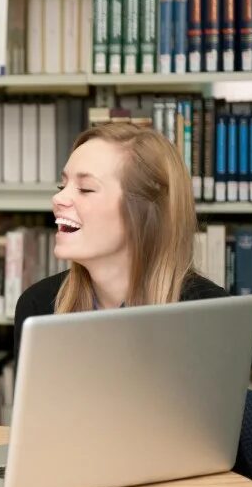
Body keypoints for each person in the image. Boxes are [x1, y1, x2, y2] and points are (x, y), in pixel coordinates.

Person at [13, 122, 227, 357]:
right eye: (62, 185)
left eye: (85, 189)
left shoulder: (209, 313)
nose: (58, 198)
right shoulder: (39, 306)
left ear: (144, 212)